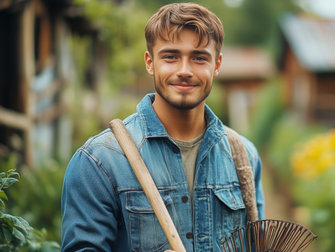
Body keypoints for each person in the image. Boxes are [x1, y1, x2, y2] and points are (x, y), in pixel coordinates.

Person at [61, 2, 265, 251]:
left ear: (217, 65)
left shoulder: (243, 157)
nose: (184, 70)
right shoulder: (99, 162)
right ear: (150, 62)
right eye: (171, 56)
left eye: (199, 58)